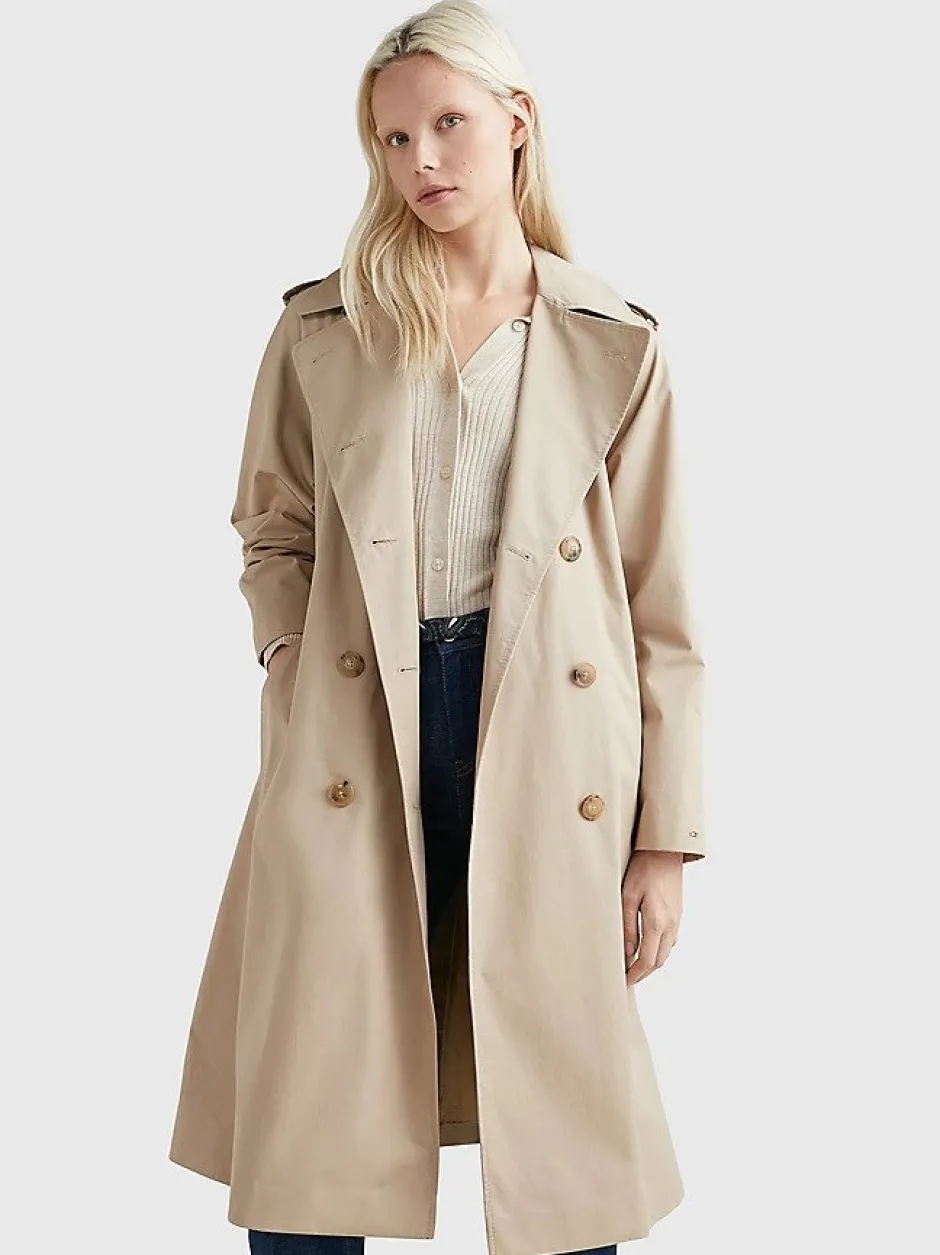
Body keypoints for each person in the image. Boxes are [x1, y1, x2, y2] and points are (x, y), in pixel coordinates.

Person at [168, 4, 706, 1254]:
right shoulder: (326, 328)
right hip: (356, 724)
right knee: (319, 1081)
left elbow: (662, 608)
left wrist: (664, 841)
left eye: (447, 124)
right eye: (394, 138)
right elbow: (273, 527)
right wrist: (291, 658)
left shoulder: (611, 342)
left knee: (561, 1114)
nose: (421, 160)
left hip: (549, 738)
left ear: (517, 122)